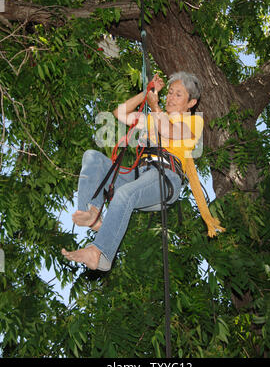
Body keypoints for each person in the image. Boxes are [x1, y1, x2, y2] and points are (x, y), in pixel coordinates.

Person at [61, 71, 203, 271]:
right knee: (92, 157)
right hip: (142, 175)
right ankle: (92, 212)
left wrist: (154, 106)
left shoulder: (193, 121)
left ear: (191, 103)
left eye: (178, 94)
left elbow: (169, 131)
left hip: (166, 178)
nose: (170, 97)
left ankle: (99, 253)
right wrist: (145, 92)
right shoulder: (153, 118)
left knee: (124, 194)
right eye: (170, 92)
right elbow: (119, 113)